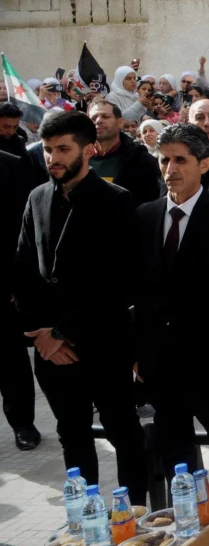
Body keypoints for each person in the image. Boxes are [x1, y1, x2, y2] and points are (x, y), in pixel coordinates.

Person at [14, 111, 150, 496]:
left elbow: (118, 283)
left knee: (123, 433)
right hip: (50, 351)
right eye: (47, 150)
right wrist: (40, 335)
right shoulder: (37, 197)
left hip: (104, 343)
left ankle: (134, 514)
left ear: (88, 150)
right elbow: (23, 271)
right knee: (71, 435)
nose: (53, 158)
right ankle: (87, 515)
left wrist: (61, 332)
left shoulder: (117, 201)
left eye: (63, 149)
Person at [134, 124, 209, 536]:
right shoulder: (145, 216)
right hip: (161, 360)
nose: (171, 169)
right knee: (176, 451)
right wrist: (139, 352)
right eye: (164, 159)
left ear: (204, 164)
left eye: (180, 160)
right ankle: (189, 529)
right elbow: (140, 293)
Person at [0, 149, 39, 451]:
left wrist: (17, 282)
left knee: (9, 359)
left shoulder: (11, 166)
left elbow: (23, 231)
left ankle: (23, 423)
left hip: (5, 283)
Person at [87, 99, 163, 202]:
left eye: (105, 116)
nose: (98, 121)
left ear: (120, 123)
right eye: (93, 118)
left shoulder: (140, 159)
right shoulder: (78, 158)